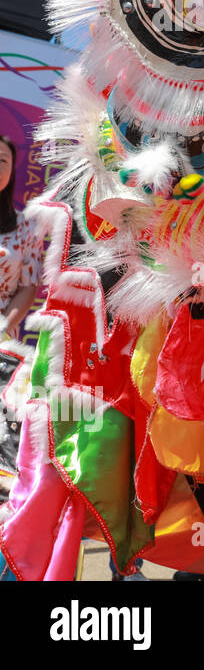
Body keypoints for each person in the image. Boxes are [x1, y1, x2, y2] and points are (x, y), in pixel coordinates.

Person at [0, 136, 41, 499]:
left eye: (3, 160)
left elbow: (29, 285)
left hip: (3, 344)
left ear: (12, 171)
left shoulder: (23, 225)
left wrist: (5, 324)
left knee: (5, 437)